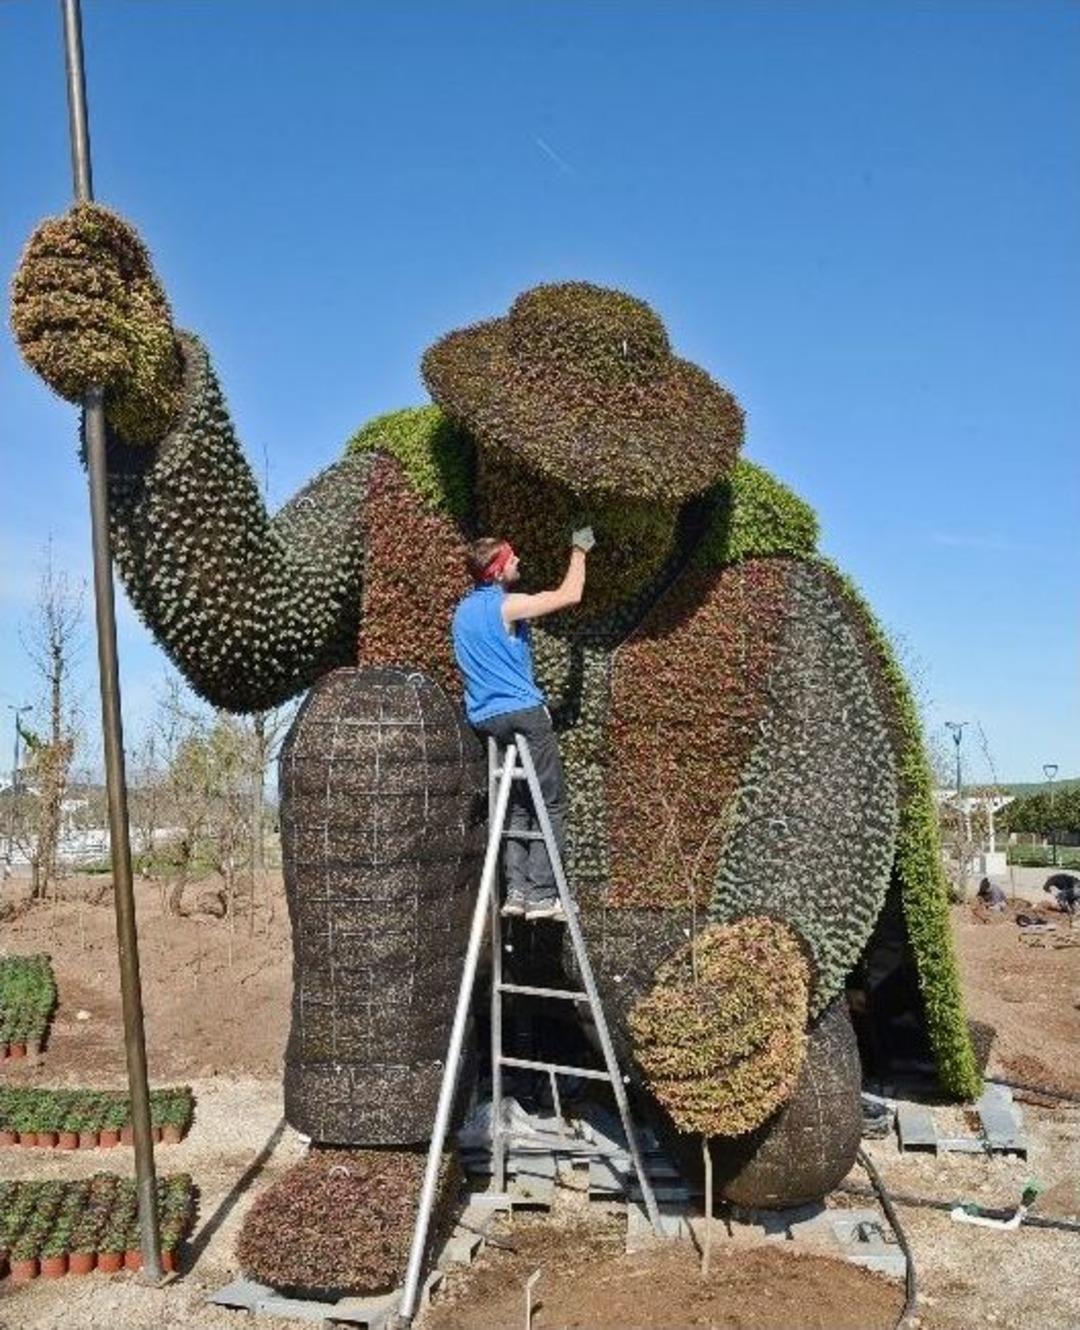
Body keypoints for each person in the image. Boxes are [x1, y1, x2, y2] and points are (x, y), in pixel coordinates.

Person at [452, 527, 595, 921]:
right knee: (549, 804)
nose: (518, 562)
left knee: (515, 805)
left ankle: (517, 891)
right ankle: (544, 896)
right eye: (511, 558)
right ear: (497, 572)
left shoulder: (462, 613)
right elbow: (570, 596)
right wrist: (580, 550)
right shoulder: (506, 606)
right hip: (524, 715)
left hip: (485, 719)